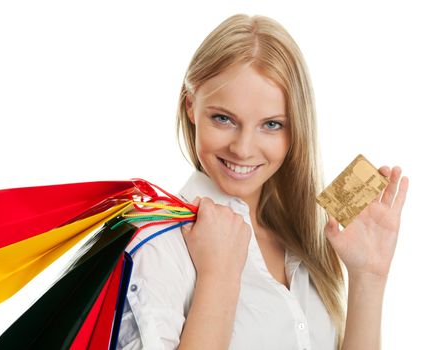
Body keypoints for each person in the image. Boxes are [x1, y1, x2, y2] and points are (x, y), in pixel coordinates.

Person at [117, 13, 409, 350]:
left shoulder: (306, 241)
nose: (242, 149)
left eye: (271, 125)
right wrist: (219, 279)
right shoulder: (158, 245)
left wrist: (369, 278)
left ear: (296, 128)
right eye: (223, 118)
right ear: (190, 108)